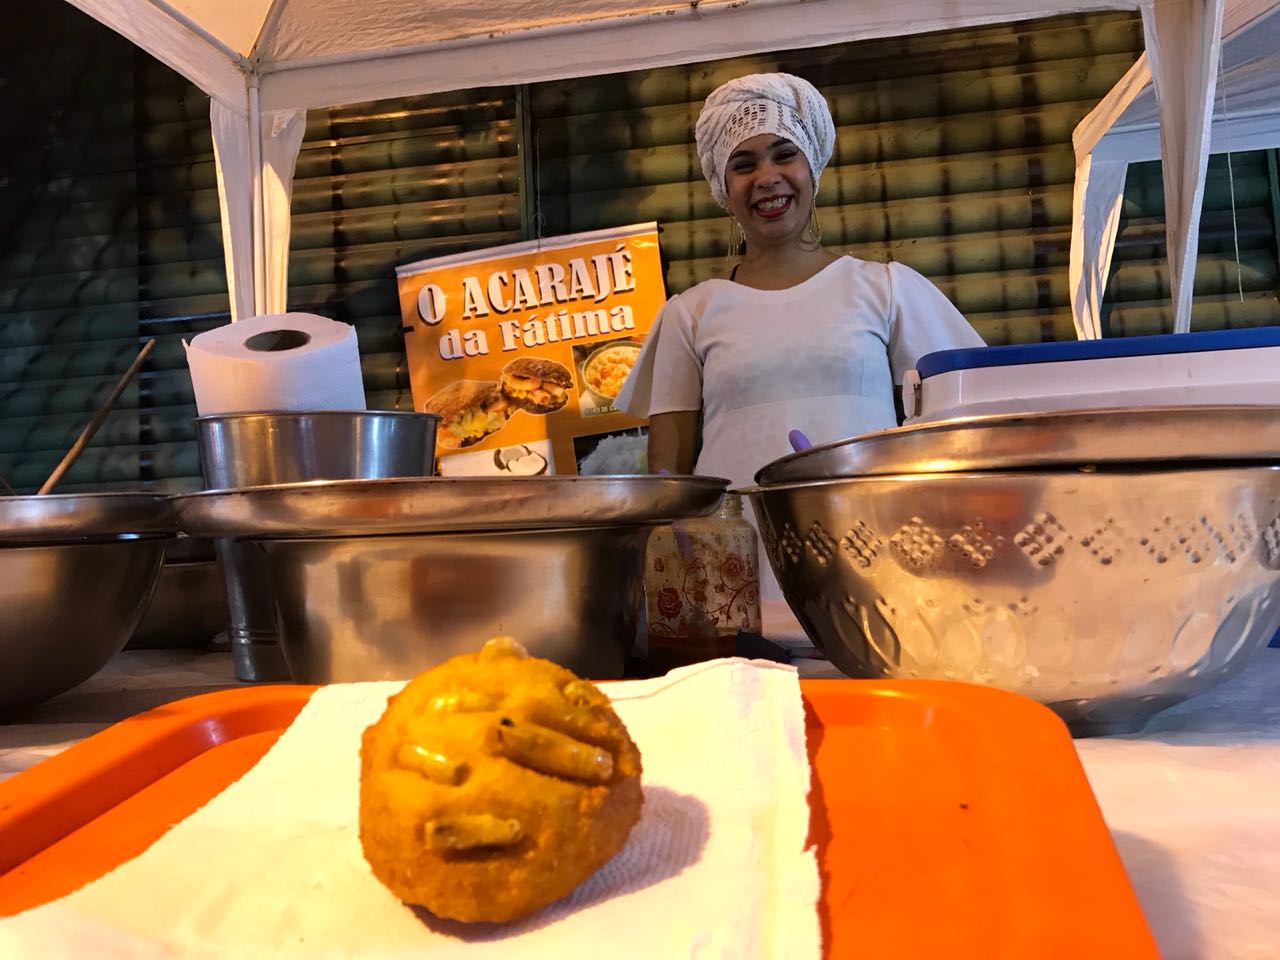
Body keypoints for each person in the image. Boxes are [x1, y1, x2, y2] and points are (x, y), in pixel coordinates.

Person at [616, 71, 986, 639]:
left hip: (871, 562)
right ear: (724, 187)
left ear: (811, 167)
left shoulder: (884, 288)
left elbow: (962, 422)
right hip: (732, 585)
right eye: (744, 164)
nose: (767, 178)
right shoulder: (690, 313)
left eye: (783, 155)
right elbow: (668, 477)